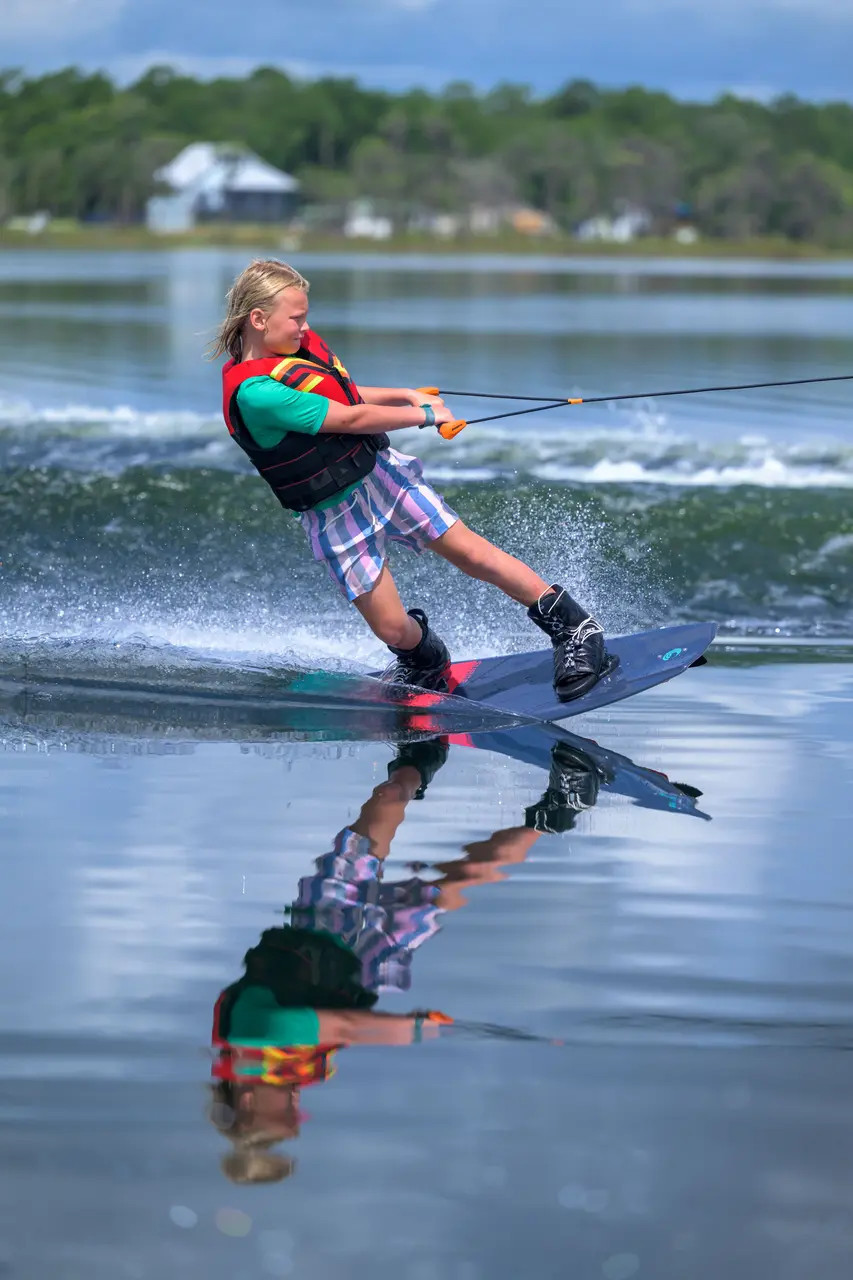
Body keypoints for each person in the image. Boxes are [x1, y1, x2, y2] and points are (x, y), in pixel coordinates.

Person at [212, 259, 615, 699]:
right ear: (259, 319)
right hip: (333, 514)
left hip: (379, 476)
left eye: (305, 316)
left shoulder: (289, 354)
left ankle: (575, 630)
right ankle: (424, 657)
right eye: (297, 318)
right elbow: (351, 417)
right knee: (390, 625)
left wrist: (405, 393)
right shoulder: (256, 393)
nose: (304, 327)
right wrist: (422, 415)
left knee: (470, 553)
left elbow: (345, 394)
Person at [208, 735, 603, 1183]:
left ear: (246, 1102)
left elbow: (345, 1027)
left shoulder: (250, 1035)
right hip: (365, 964)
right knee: (456, 885)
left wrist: (413, 1030)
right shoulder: (297, 1068)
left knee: (391, 797)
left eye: (286, 1114)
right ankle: (562, 807)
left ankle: (420, 755)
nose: (298, 1105)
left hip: (318, 924)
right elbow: (345, 1022)